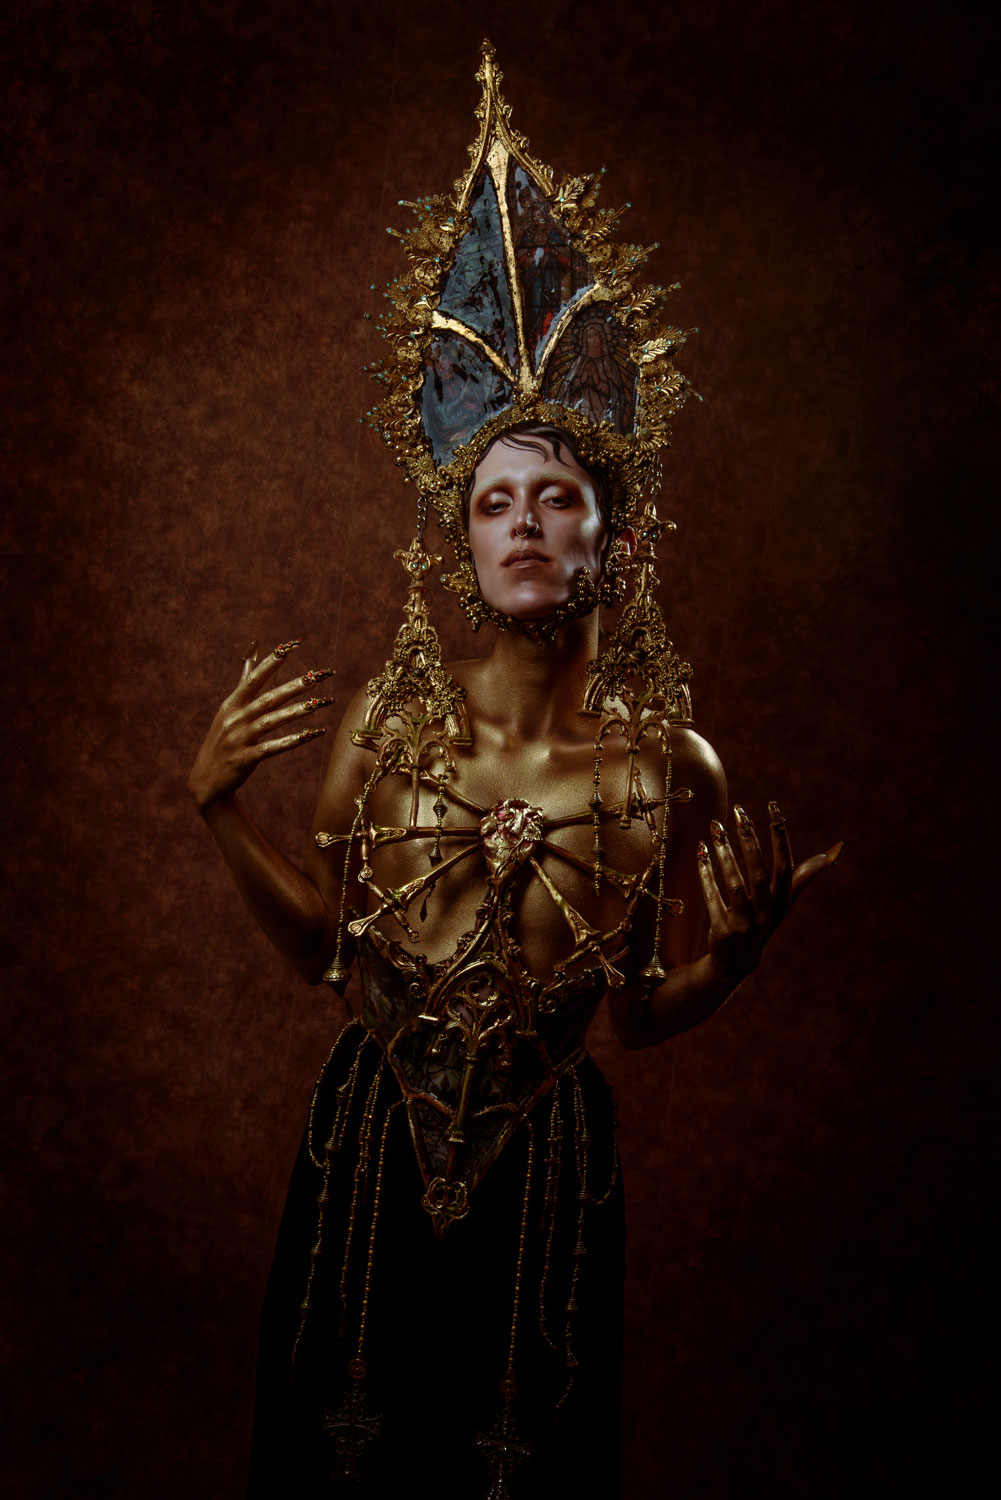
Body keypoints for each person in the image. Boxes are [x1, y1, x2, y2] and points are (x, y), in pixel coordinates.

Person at [189, 45, 839, 1500]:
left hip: (549, 1179)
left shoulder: (667, 768)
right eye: (494, 502)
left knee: (522, 1470)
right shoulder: (389, 723)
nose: (525, 524)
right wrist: (216, 810)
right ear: (462, 538)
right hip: (364, 1154)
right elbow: (325, 953)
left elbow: (637, 1016)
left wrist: (729, 966)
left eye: (558, 496)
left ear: (617, 533)